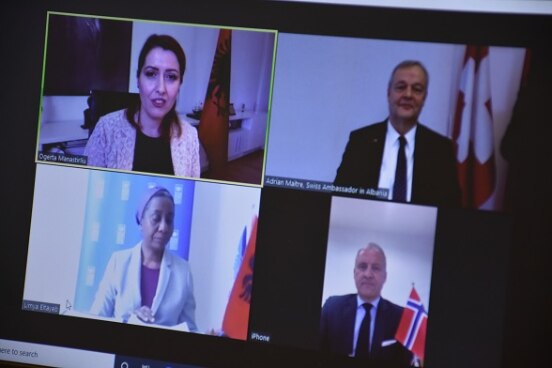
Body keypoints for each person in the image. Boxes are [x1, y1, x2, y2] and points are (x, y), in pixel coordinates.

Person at [334, 60, 461, 208]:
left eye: (417, 89)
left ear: (424, 97)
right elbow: (339, 198)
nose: (408, 95)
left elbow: (450, 209)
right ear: (389, 93)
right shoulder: (360, 141)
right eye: (401, 87)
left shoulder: (441, 149)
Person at [84, 34, 200, 177]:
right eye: (151, 74)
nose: (161, 88)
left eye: (171, 77)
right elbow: (86, 188)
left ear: (179, 85)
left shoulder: (190, 137)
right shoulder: (106, 130)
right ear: (138, 80)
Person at [90, 186, 197, 330]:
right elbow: (97, 317)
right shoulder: (119, 262)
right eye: (156, 218)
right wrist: (129, 320)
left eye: (169, 220)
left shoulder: (183, 272)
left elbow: (190, 329)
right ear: (141, 221)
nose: (163, 227)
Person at [320, 243, 413, 367]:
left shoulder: (402, 318)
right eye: (362, 266)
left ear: (384, 276)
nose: (368, 274)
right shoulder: (331, 308)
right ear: (354, 273)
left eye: (375, 268)